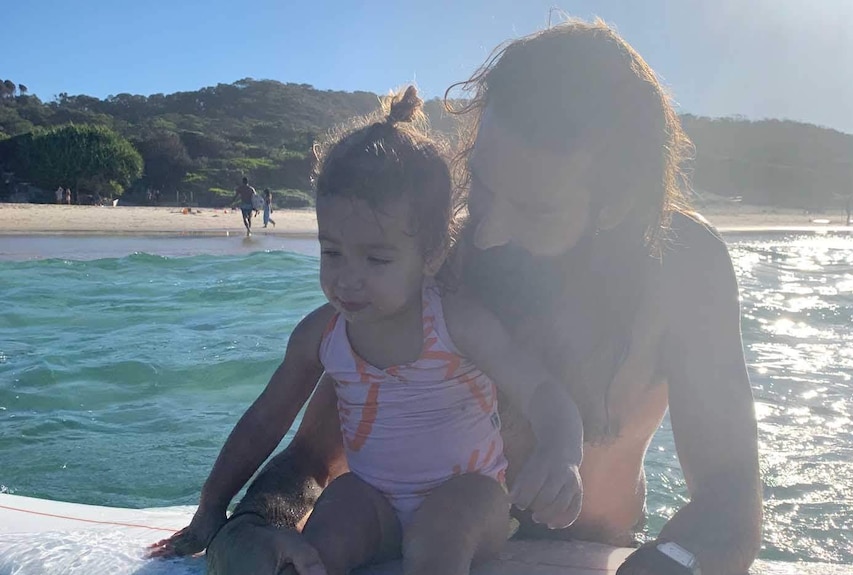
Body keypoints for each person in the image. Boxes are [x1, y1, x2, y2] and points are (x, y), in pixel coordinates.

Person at [154, 18, 763, 575]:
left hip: (582, 555)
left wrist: (675, 560)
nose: (487, 226)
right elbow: (315, 450)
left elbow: (731, 494)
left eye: (532, 207)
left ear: (618, 203)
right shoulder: (440, 258)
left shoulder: (684, 268)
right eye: (484, 184)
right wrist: (253, 525)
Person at [152, 87, 584, 575]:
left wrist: (562, 454)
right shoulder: (322, 335)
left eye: (376, 258)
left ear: (432, 255)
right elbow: (263, 422)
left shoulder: (455, 322)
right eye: (331, 251)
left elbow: (543, 390)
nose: (345, 278)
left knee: (436, 538)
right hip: (375, 497)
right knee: (326, 531)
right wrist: (212, 505)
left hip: (471, 496)